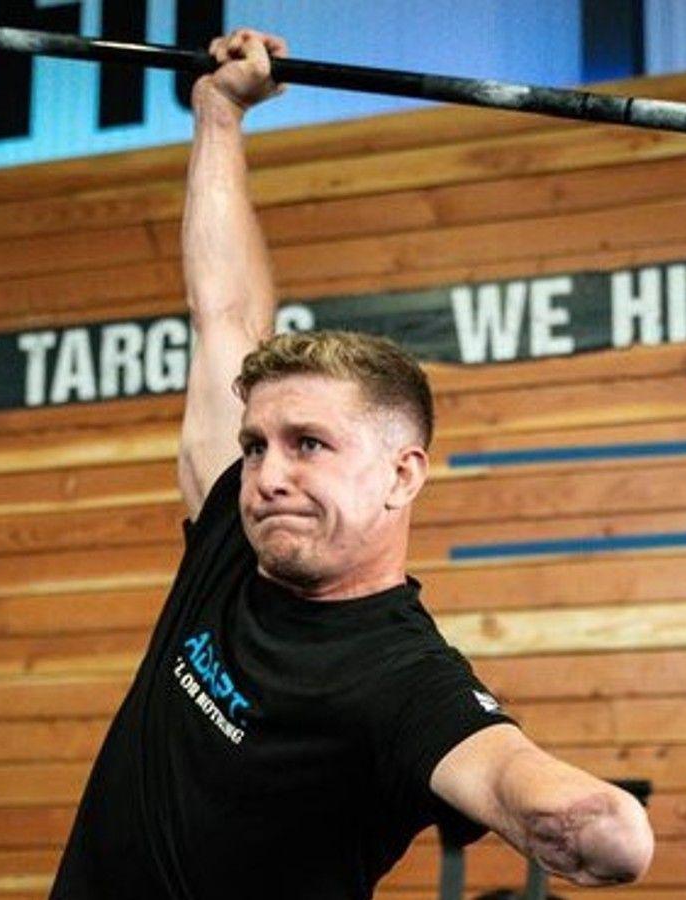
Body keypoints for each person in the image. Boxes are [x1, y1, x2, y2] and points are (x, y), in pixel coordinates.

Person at [48, 28, 654, 900]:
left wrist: (589, 818)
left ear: (403, 475)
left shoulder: (404, 681)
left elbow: (504, 772)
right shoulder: (231, 527)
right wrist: (218, 115)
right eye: (257, 444)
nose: (268, 473)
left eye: (310, 445)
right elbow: (224, 309)